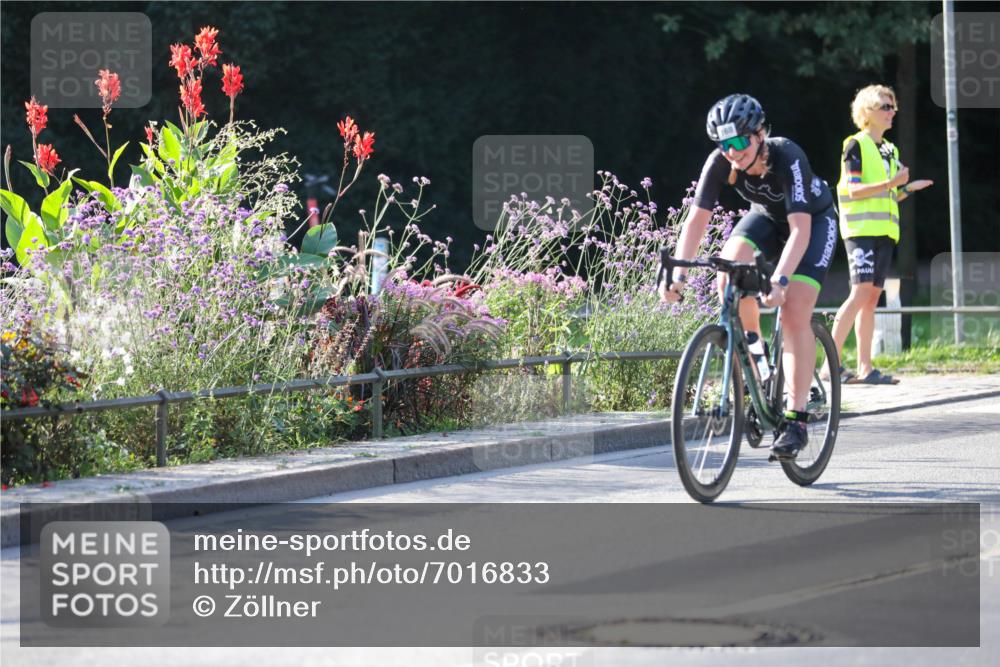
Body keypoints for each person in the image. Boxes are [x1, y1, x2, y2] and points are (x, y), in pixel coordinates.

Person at [659, 93, 839, 458]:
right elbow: (697, 220)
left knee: (794, 311)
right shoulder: (720, 162)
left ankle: (796, 418)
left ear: (759, 135)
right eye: (724, 144)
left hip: (813, 223)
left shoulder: (787, 156)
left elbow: (801, 231)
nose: (732, 151)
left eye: (740, 141)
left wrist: (781, 281)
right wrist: (676, 274)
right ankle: (759, 370)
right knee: (727, 274)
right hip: (768, 221)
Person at [830, 85, 933, 385]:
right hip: (860, 232)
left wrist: (907, 189)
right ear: (868, 112)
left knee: (871, 298)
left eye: (893, 107)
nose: (892, 112)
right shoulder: (855, 145)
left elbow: (890, 195)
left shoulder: (890, 149)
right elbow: (853, 189)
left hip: (885, 233)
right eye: (885, 107)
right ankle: (830, 364)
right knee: (859, 293)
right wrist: (892, 184)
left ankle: (866, 368)